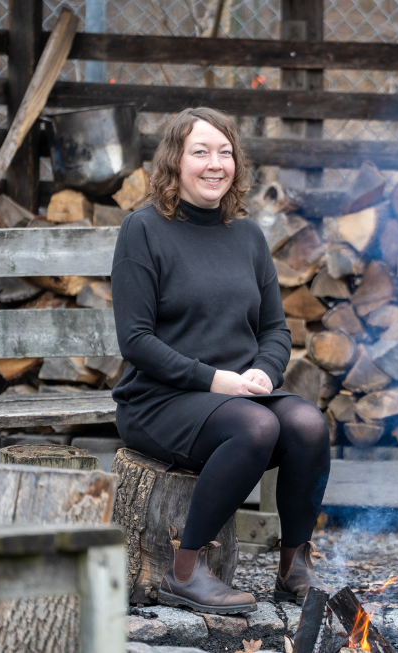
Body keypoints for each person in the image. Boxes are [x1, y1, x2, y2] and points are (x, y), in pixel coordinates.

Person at [111, 107, 331, 614]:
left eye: (225, 152)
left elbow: (276, 328)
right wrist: (214, 381)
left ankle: (294, 565)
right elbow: (136, 340)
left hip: (235, 394)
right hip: (160, 399)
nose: (215, 164)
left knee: (307, 424)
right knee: (256, 428)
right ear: (175, 162)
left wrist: (264, 371)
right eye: (200, 152)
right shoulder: (142, 230)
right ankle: (184, 571)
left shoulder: (247, 235)